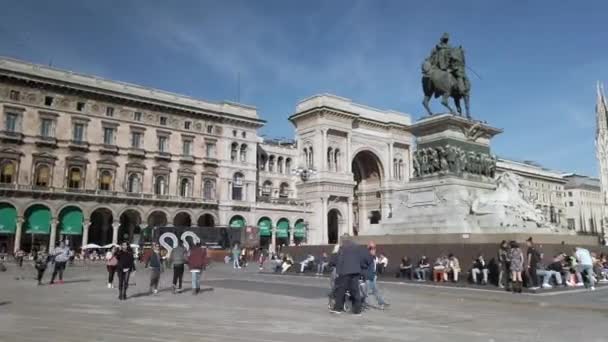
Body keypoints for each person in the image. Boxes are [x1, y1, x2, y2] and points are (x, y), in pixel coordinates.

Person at [331, 237, 369, 315]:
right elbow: (363, 260)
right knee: (355, 291)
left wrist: (335, 251)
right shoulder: (357, 247)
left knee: (341, 291)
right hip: (355, 272)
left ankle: (337, 309)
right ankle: (357, 311)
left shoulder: (342, 248)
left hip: (345, 272)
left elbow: (335, 261)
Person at [365, 243, 388, 310]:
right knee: (366, 291)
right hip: (368, 276)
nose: (374, 251)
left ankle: (381, 303)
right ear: (369, 250)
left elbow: (377, 264)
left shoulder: (375, 257)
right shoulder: (367, 257)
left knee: (375, 290)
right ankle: (364, 303)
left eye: (374, 249)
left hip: (373, 275)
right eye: (372, 249)